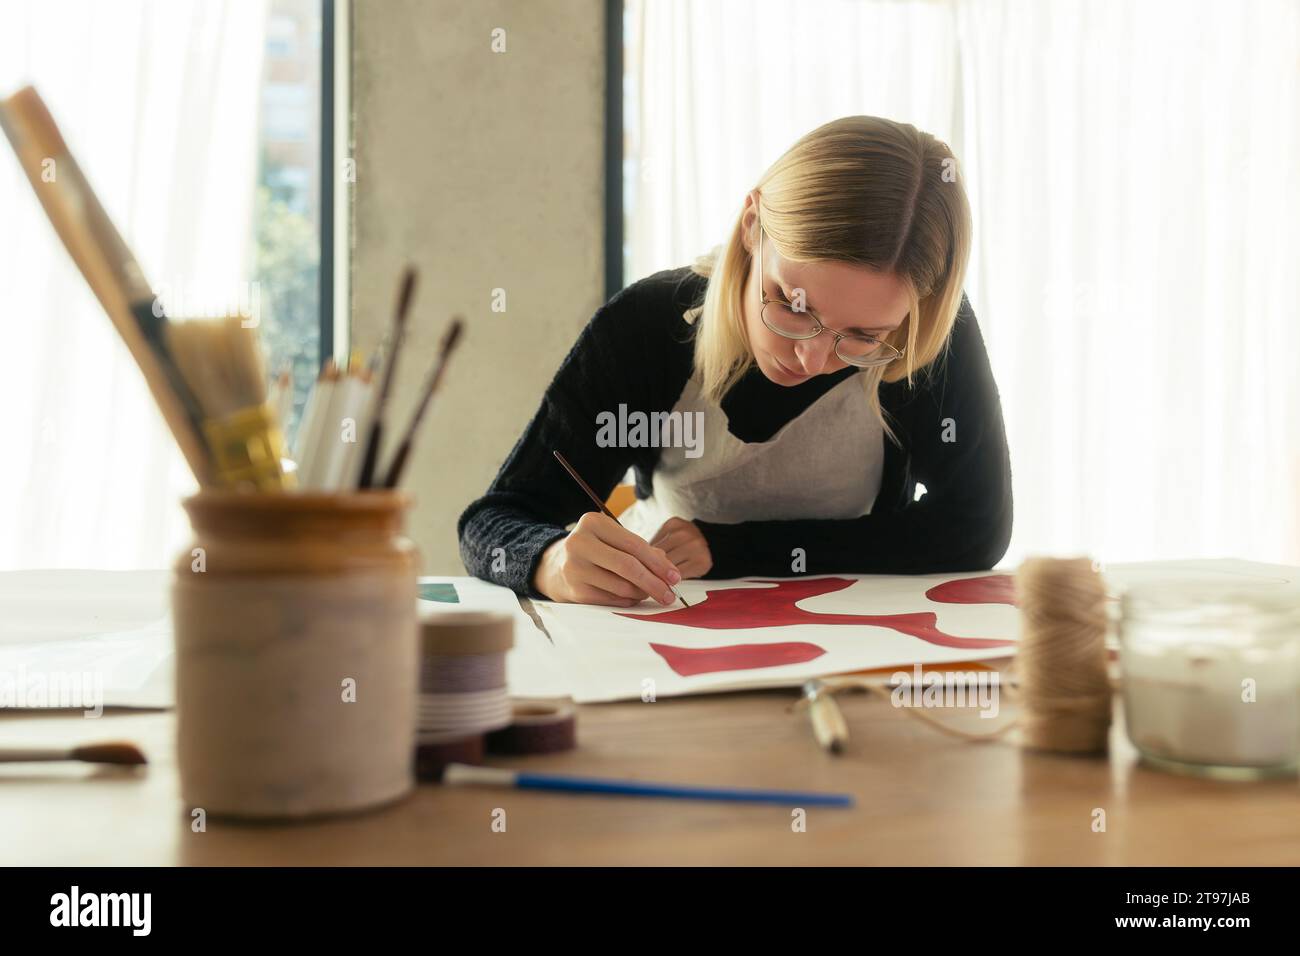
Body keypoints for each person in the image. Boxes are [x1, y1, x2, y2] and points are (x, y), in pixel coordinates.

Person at [459, 115, 1012, 606]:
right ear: (752, 227)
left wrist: (735, 548)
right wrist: (550, 560)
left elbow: (976, 528)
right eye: (793, 306)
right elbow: (494, 520)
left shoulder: (928, 331)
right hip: (668, 619)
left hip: (859, 637)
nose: (812, 356)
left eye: (864, 336)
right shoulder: (647, 326)